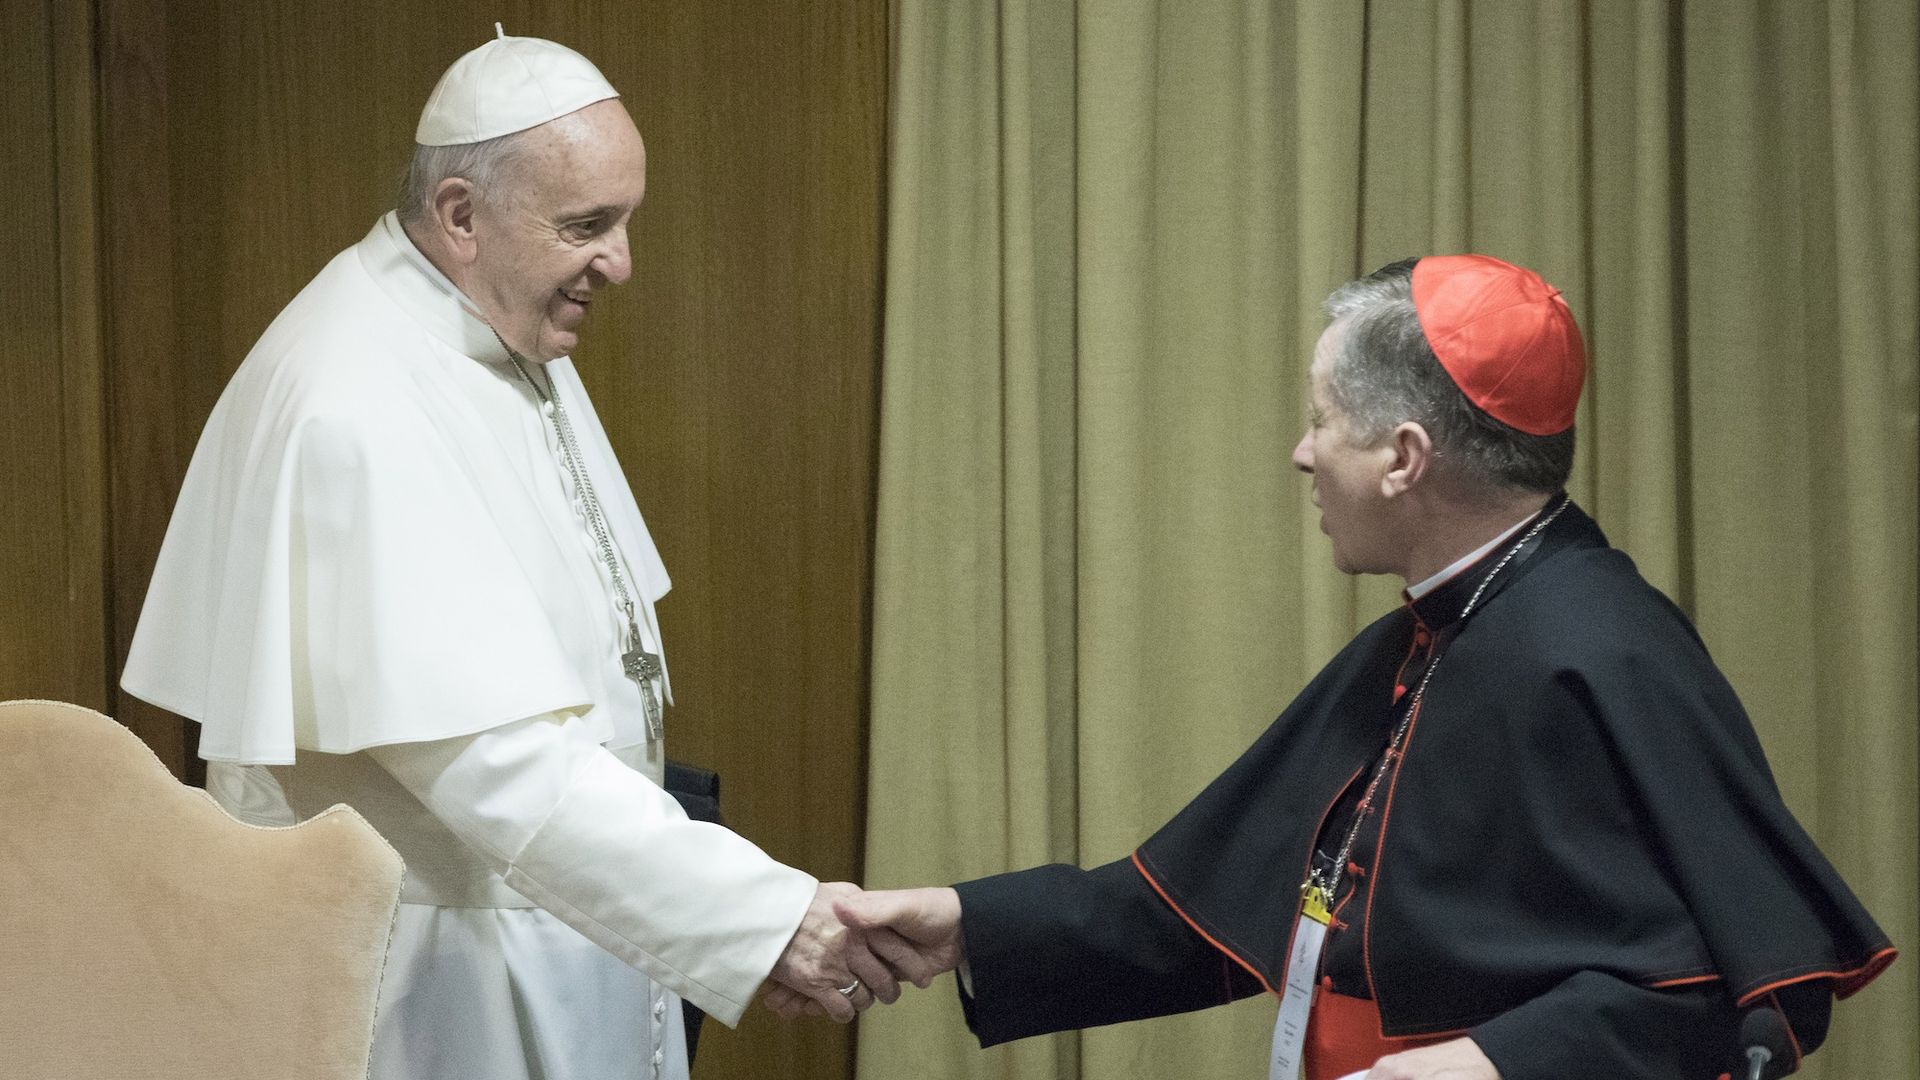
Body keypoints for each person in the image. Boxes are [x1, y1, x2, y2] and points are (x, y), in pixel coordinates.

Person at [816, 256, 1896, 1079]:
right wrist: (970, 924)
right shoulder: (1429, 636)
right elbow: (1218, 901)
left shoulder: (1596, 645)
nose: (1301, 451)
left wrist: (1495, 1064)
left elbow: (1744, 987)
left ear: (1405, 458)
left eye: (1323, 420)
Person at [122, 29, 895, 1080]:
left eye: (625, 221)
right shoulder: (356, 399)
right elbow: (498, 767)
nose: (620, 262)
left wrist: (719, 918)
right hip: (435, 990)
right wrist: (763, 919)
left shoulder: (489, 322)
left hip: (555, 929)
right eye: (588, 225)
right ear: (459, 216)